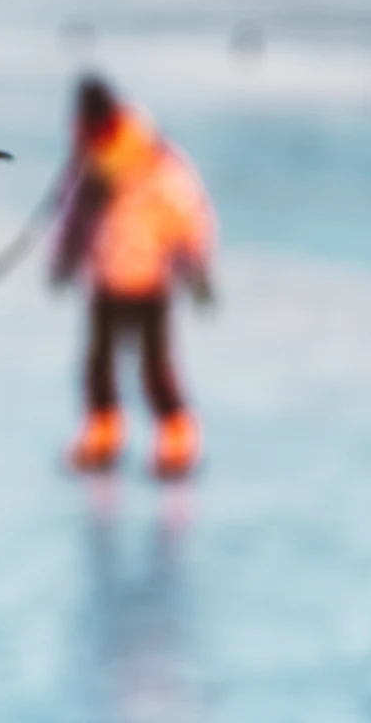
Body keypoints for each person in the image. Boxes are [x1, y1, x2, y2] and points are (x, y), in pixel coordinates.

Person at [52, 76, 216, 478]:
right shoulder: (87, 160)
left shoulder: (154, 157)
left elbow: (184, 211)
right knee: (99, 362)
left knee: (154, 365)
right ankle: (103, 432)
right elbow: (72, 211)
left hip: (149, 278)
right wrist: (66, 254)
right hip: (105, 275)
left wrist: (196, 265)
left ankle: (177, 436)